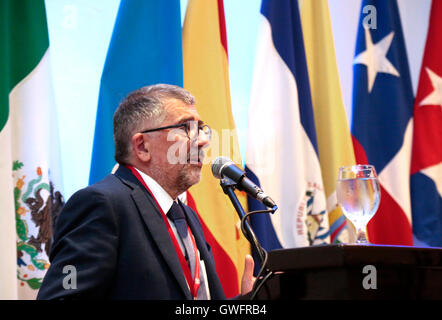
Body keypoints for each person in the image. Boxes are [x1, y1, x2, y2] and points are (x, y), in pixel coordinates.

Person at [37, 84, 255, 300]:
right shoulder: (102, 205)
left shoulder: (186, 216)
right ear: (142, 146)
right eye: (185, 128)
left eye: (200, 128)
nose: (204, 140)